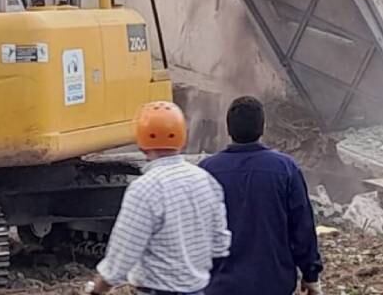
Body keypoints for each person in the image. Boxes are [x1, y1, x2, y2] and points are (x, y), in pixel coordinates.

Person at [88, 101, 232, 295]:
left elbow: (121, 257)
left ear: (141, 140)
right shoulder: (206, 181)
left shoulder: (144, 189)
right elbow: (220, 244)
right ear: (182, 137)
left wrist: (97, 290)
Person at [201, 96, 323, 295]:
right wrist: (311, 275)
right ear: (263, 127)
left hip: (220, 285)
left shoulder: (207, 171)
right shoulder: (285, 168)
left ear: (228, 129)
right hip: (274, 284)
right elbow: (302, 227)